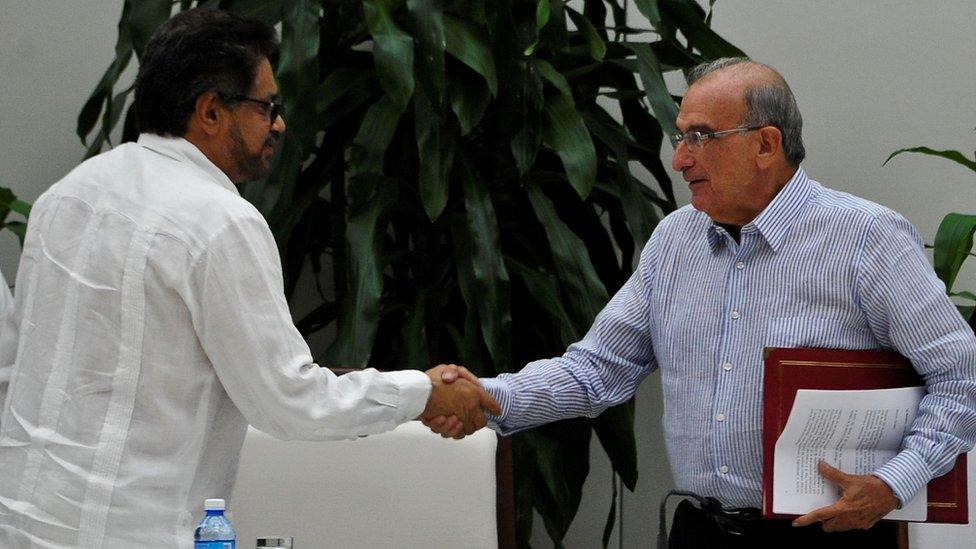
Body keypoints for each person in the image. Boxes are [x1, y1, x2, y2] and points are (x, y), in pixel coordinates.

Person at [425, 57, 976, 548]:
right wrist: (489, 396)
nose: (678, 159)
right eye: (678, 136)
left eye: (700, 136)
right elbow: (595, 371)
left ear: (766, 144)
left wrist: (892, 484)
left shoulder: (865, 237)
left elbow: (962, 374)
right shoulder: (675, 240)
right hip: (701, 529)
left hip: (828, 531)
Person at [0, 9, 497, 548]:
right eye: (267, 107)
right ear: (211, 112)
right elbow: (288, 399)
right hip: (128, 534)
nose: (280, 124)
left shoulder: (66, 194)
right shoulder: (217, 221)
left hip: (22, 521)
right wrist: (422, 392)